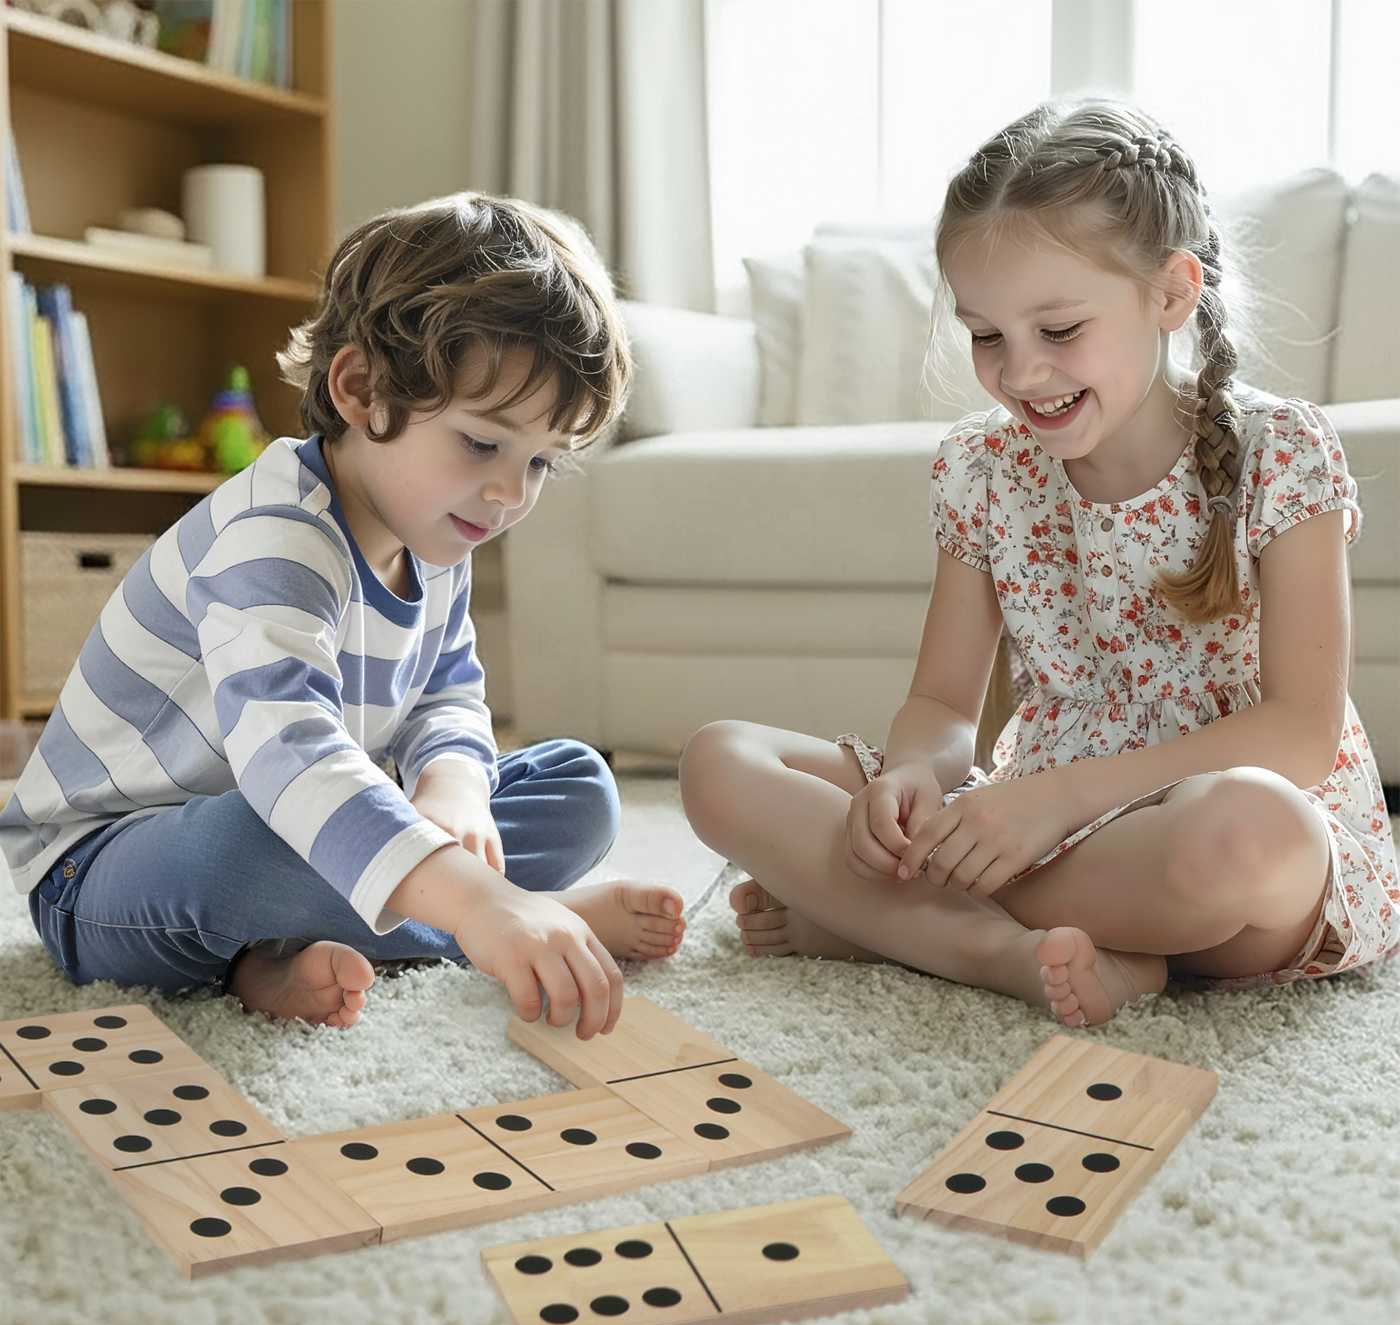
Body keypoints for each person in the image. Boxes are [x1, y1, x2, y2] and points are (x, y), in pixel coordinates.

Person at [679, 100, 1399, 1028]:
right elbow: (943, 707)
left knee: (1255, 837)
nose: (1022, 376)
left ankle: (881, 927)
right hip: (1026, 821)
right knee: (718, 761)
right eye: (987, 337)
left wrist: (1054, 805)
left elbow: (1300, 732)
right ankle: (1000, 949)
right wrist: (911, 779)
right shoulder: (982, 469)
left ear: (1172, 293)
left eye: (1058, 332)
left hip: (1193, 839)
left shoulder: (1281, 451)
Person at [1, 193, 687, 1036]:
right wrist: (478, 902)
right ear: (361, 389)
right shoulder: (274, 539)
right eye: (482, 444)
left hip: (307, 823)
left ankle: (291, 954)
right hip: (103, 873)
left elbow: (447, 690)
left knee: (579, 788)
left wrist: (454, 784)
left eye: (541, 461)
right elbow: (292, 756)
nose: (511, 494)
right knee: (262, 840)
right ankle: (486, 918)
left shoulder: (438, 527)